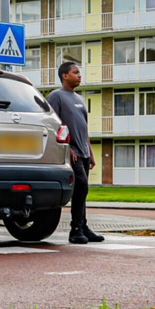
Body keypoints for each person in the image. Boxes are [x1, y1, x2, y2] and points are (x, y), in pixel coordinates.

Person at [46, 62, 104, 245]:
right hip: (72, 151)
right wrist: (68, 148)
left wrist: (91, 153)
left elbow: (83, 129)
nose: (79, 75)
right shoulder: (56, 96)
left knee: (83, 191)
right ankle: (76, 229)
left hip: (84, 152)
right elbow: (51, 124)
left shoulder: (79, 99)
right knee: (81, 186)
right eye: (75, 72)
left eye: (79, 73)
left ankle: (83, 227)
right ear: (65, 76)